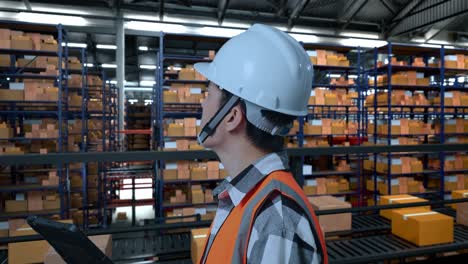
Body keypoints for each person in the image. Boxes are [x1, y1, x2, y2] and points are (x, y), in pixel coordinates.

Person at [195, 24, 327, 264]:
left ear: (232, 117)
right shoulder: (245, 196)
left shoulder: (277, 222)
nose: (203, 105)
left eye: (208, 94)